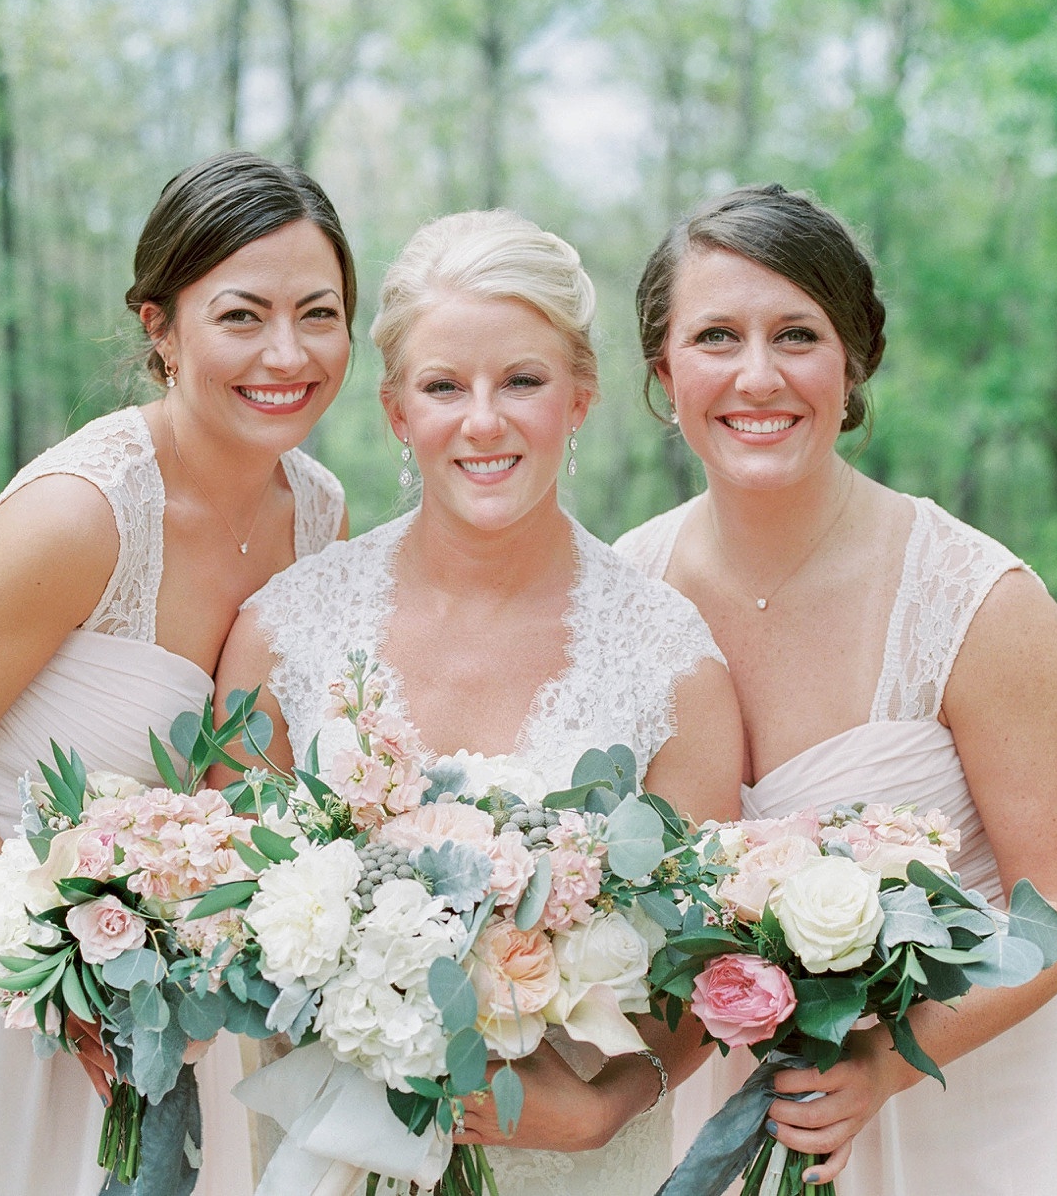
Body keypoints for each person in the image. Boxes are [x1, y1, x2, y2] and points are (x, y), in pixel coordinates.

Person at [0, 150, 356, 1196]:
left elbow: (250, 783)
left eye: (320, 313)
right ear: (160, 327)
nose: (287, 353)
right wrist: (57, 963)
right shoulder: (82, 513)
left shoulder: (321, 513)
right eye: (241, 315)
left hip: (164, 997)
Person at [616, 183, 1057, 1194]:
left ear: (854, 362)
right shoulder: (621, 594)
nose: (757, 376)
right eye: (716, 336)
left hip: (976, 1092)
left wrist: (886, 1063)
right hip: (724, 1102)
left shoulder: (981, 604)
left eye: (797, 335)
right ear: (662, 370)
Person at [213, 209, 743, 1194]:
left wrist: (609, 1102)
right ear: (396, 411)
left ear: (580, 395)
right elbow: (224, 926)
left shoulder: (670, 663)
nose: (483, 420)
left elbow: (706, 966)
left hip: (567, 1161)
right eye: (444, 386)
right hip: (327, 1153)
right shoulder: (285, 633)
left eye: (523, 381)